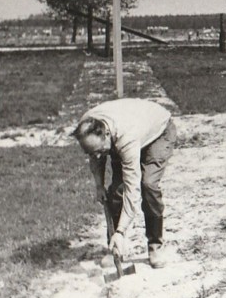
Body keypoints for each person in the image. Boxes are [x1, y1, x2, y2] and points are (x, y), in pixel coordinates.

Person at [72, 98, 176, 269]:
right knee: (116, 192)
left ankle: (155, 245)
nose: (98, 156)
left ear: (106, 134)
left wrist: (121, 231)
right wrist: (99, 185)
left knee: (148, 185)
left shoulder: (126, 139)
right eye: (91, 152)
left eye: (100, 151)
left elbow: (132, 189)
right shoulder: (88, 125)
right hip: (132, 128)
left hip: (159, 131)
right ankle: (114, 248)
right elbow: (95, 157)